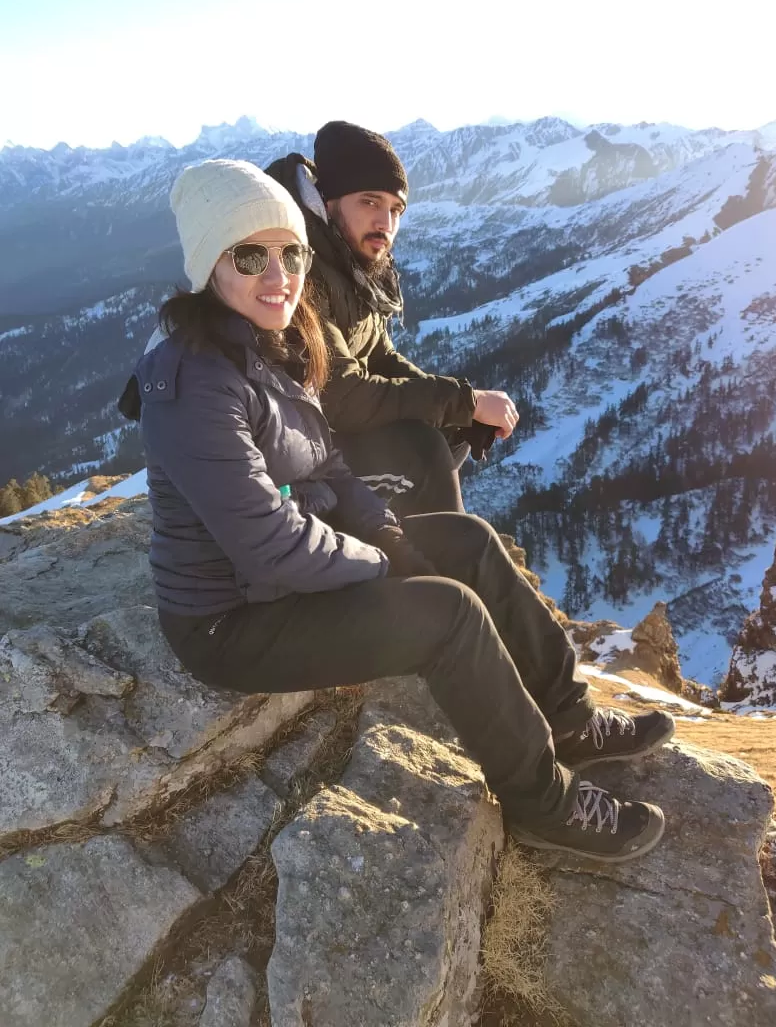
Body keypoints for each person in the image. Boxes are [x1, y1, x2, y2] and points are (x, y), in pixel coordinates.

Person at [132, 157, 674, 861]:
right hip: (232, 620)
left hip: (283, 576)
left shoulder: (276, 341)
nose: (280, 276)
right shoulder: (192, 381)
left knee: (469, 542)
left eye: (292, 252)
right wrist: (381, 562)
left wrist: (389, 533)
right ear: (210, 265)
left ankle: (567, 718)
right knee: (447, 617)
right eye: (249, 254)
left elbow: (326, 464)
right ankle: (543, 802)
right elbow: (266, 542)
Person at [265, 121, 518, 517]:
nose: (385, 222)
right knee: (422, 448)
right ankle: (447, 562)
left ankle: (409, 538)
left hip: (323, 438)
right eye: (369, 201)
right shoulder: (297, 268)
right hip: (285, 461)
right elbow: (341, 396)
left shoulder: (349, 257)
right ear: (327, 201)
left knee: (447, 430)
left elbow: (379, 354)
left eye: (395, 208)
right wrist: (462, 400)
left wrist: (461, 409)